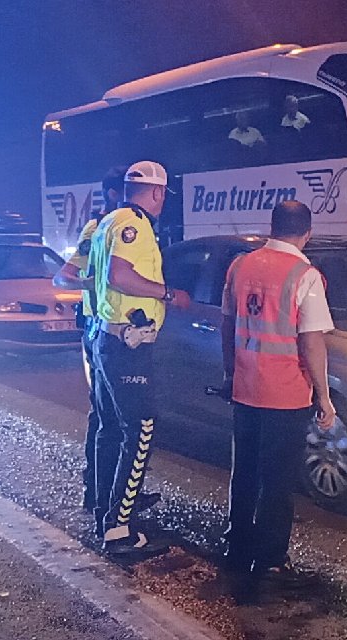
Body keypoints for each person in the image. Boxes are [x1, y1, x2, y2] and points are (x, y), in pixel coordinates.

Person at [220, 200, 336, 577]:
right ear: (307, 233)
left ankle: (237, 543)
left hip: (245, 388)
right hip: (285, 393)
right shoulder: (305, 275)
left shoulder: (240, 265)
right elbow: (312, 341)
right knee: (277, 480)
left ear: (272, 226)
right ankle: (270, 559)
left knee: (246, 473)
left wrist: (229, 374)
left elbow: (228, 326)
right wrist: (323, 396)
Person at [87, 160, 191, 555]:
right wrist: (166, 293)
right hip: (126, 345)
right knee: (142, 428)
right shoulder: (136, 225)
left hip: (104, 338)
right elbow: (119, 275)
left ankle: (105, 511)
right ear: (158, 192)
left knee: (109, 429)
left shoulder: (108, 221)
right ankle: (118, 528)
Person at [53, 166, 126, 515]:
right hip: (99, 330)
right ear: (114, 194)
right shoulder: (99, 229)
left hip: (110, 331)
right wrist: (99, 286)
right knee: (105, 416)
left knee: (113, 415)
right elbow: (65, 276)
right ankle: (97, 492)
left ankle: (110, 490)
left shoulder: (124, 228)